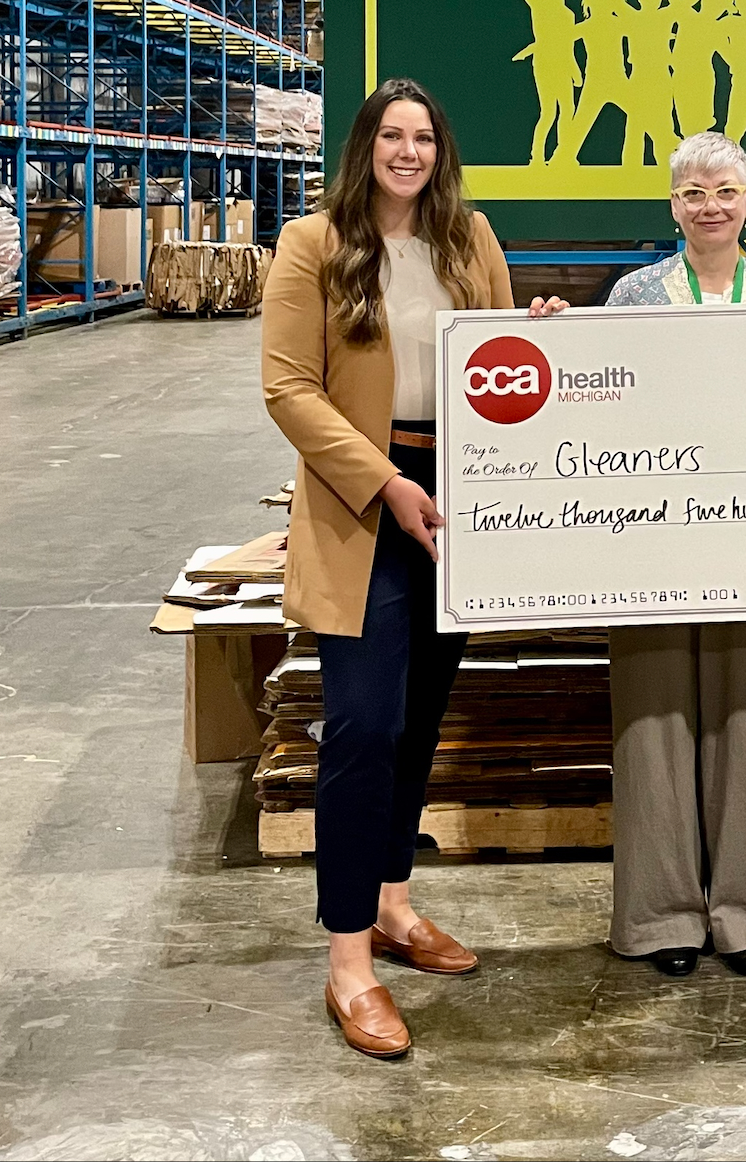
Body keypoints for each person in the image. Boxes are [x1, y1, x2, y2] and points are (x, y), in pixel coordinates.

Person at [261, 76, 557, 1059]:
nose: (407, 151)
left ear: (440, 149)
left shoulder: (469, 237)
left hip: (458, 503)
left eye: (423, 136)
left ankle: (393, 901)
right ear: (364, 147)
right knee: (361, 726)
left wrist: (541, 340)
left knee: (422, 715)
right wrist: (384, 480)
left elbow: (500, 360)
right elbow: (288, 388)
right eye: (390, 135)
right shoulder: (313, 244)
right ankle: (349, 963)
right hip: (366, 505)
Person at [603, 131, 746, 981]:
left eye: (725, 190)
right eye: (693, 192)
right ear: (673, 207)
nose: (710, 205)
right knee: (653, 718)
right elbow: (601, 396)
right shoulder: (632, 296)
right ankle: (662, 919)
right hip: (653, 532)